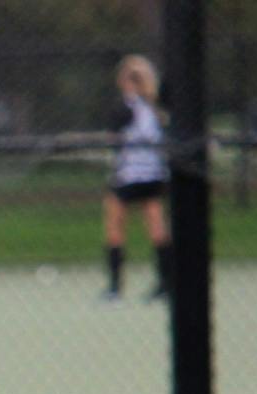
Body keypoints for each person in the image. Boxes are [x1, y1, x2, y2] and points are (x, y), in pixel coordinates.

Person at [101, 55, 171, 303]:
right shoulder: (156, 108)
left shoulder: (126, 107)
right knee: (156, 226)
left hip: (130, 175)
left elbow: (113, 137)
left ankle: (115, 287)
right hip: (154, 175)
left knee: (115, 226)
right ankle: (165, 284)